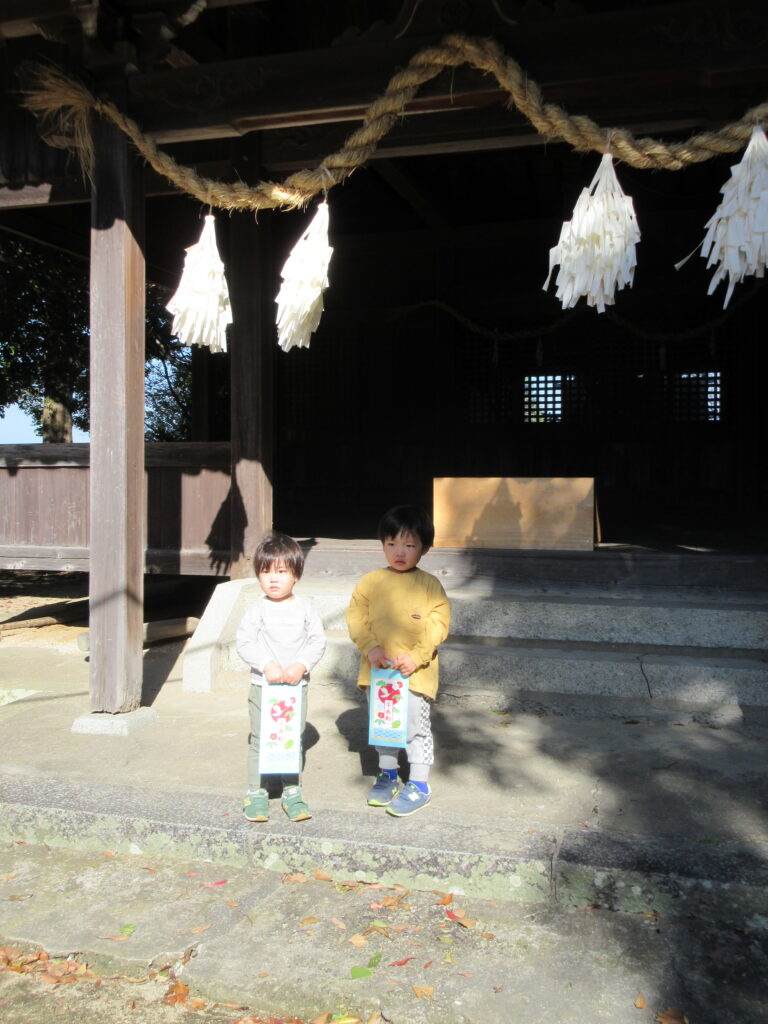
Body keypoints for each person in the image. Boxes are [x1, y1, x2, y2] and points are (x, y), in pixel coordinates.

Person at [346, 505, 450, 817]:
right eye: (391, 544)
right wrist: (370, 647)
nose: (399, 552)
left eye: (409, 545)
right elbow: (356, 617)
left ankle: (419, 783)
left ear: (424, 548)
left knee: (415, 728)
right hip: (379, 672)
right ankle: (388, 773)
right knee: (383, 726)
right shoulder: (370, 582)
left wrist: (417, 656)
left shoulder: (430, 585)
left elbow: (438, 623)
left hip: (415, 674)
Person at [236, 531, 326, 823]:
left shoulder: (305, 608)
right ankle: (256, 791)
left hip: (294, 687)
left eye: (281, 572)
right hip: (264, 686)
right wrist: (266, 664)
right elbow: (245, 642)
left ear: (296, 575)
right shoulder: (256, 610)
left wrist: (301, 664)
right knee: (261, 738)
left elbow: (317, 641)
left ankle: (291, 790)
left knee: (291, 739)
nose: (273, 579)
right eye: (265, 572)